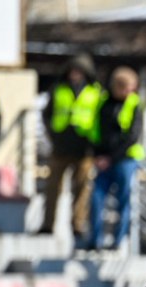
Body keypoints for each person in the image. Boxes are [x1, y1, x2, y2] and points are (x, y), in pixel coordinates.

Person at [43, 54, 102, 238]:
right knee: (53, 187)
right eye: (73, 70)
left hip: (84, 148)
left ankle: (77, 224)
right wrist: (53, 135)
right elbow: (47, 114)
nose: (75, 74)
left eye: (79, 71)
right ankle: (47, 224)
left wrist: (95, 144)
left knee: (82, 189)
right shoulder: (58, 89)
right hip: (60, 146)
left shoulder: (95, 92)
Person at [87, 67, 144, 250]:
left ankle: (118, 241)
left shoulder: (134, 105)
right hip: (104, 160)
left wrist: (110, 158)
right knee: (96, 198)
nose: (130, 91)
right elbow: (96, 130)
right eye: (126, 87)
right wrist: (97, 155)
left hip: (125, 159)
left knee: (123, 200)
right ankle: (95, 240)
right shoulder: (104, 103)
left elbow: (132, 136)